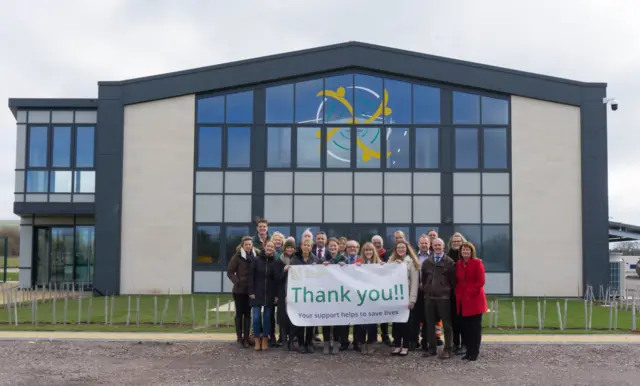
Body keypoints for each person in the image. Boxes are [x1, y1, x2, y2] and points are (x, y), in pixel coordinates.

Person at [422, 238, 457, 359]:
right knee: (430, 324)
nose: (437, 247)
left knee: (447, 324)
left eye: (439, 245)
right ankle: (432, 348)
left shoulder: (449, 262)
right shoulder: (427, 262)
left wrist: (447, 291)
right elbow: (424, 279)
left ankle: (448, 349)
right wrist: (426, 288)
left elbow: (453, 281)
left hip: (444, 297)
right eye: (435, 245)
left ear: (443, 247)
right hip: (429, 297)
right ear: (432, 246)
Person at [455, 242, 487, 362]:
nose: (465, 252)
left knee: (475, 328)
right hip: (462, 300)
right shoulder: (459, 264)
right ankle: (468, 351)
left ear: (471, 251)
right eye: (463, 250)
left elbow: (481, 282)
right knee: (465, 328)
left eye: (467, 250)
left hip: (474, 300)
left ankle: (474, 352)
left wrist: (469, 292)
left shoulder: (477, 263)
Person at [388, 240, 419, 356]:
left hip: (406, 298)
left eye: (403, 248)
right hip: (394, 298)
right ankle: (396, 345)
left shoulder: (411, 262)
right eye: (398, 248)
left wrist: (412, 300)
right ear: (395, 250)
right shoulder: (391, 261)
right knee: (396, 324)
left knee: (406, 323)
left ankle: (405, 346)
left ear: (407, 249)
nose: (401, 250)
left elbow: (415, 283)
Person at [226, 236, 258, 348]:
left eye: (250, 244)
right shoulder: (237, 257)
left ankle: (246, 338)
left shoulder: (255, 256)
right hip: (239, 291)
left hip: (250, 291)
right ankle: (239, 338)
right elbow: (230, 272)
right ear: (242, 245)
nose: (248, 246)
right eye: (246, 244)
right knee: (239, 314)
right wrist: (237, 282)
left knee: (248, 314)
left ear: (252, 245)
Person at [248, 240, 278, 351]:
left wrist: (276, 295)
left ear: (274, 249)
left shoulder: (275, 261)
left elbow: (276, 280)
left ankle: (265, 339)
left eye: (272, 246)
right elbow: (251, 277)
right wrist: (250, 291)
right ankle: (257, 340)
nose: (270, 248)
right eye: (268, 246)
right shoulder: (255, 260)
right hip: (256, 293)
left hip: (269, 294)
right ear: (264, 247)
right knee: (256, 318)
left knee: (267, 319)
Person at [354, 242, 383, 355]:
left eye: (370, 250)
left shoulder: (379, 263)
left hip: (374, 297)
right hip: (361, 296)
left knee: (372, 321)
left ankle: (371, 343)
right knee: (361, 320)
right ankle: (361, 343)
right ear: (363, 252)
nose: (368, 252)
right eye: (366, 250)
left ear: (373, 251)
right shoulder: (358, 262)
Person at [320, 238, 347, 354]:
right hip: (326, 294)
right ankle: (326, 343)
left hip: (339, 295)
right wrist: (321, 266)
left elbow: (351, 274)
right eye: (330, 246)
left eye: (335, 246)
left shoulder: (343, 259)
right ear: (328, 247)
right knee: (326, 320)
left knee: (337, 320)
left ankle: (336, 343)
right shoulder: (323, 259)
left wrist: (345, 266)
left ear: (338, 247)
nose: (333, 248)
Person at [291, 238, 318, 353]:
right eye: (305, 245)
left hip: (311, 294)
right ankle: (301, 343)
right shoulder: (295, 259)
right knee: (301, 320)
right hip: (299, 293)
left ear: (311, 247)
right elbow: (291, 277)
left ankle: (309, 343)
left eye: (309, 245)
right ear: (301, 246)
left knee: (310, 321)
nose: (307, 247)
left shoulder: (316, 259)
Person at [274, 239, 297, 351]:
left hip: (294, 292)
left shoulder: (296, 260)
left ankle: (292, 340)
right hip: (282, 292)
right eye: (288, 247)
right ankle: (283, 340)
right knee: (283, 317)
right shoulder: (279, 261)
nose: (289, 249)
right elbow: (277, 278)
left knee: (293, 316)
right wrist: (284, 270)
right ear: (284, 248)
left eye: (291, 247)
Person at [448, 232, 467, 355]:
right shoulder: (448, 256)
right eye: (454, 241)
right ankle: (456, 343)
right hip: (451, 293)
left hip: (464, 294)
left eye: (458, 241)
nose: (456, 243)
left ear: (462, 242)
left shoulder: (466, 256)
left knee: (464, 320)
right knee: (453, 320)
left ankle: (465, 344)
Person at [414, 234, 431, 351]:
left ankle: (426, 341)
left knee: (428, 318)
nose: (424, 245)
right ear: (418, 244)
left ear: (429, 244)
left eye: (426, 243)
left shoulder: (434, 257)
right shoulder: (413, 256)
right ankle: (414, 341)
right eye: (422, 243)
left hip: (429, 292)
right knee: (415, 317)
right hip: (415, 292)